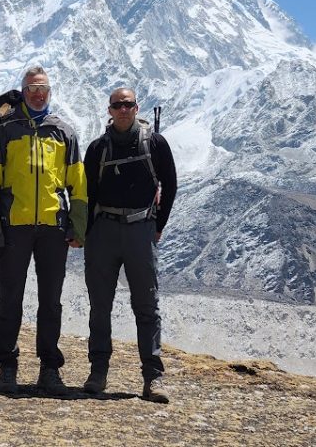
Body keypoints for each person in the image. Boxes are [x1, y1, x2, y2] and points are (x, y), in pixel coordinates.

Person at [0, 65, 87, 396]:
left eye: (42, 88)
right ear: (22, 93)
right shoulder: (7, 131)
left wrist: (78, 227)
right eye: (31, 88)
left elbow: (78, 186)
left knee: (51, 300)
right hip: (15, 227)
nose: (37, 93)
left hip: (54, 228)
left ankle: (49, 367)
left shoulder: (64, 132)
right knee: (9, 296)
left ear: (50, 92)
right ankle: (7, 364)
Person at [81, 87, 177, 403]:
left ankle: (153, 378)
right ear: (109, 110)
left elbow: (171, 184)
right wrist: (85, 232)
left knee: (147, 306)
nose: (123, 110)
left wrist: (157, 226)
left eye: (128, 105)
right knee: (100, 306)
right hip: (104, 231)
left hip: (141, 228)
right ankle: (98, 373)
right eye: (117, 105)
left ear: (136, 108)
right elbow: (88, 193)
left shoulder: (155, 144)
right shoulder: (97, 149)